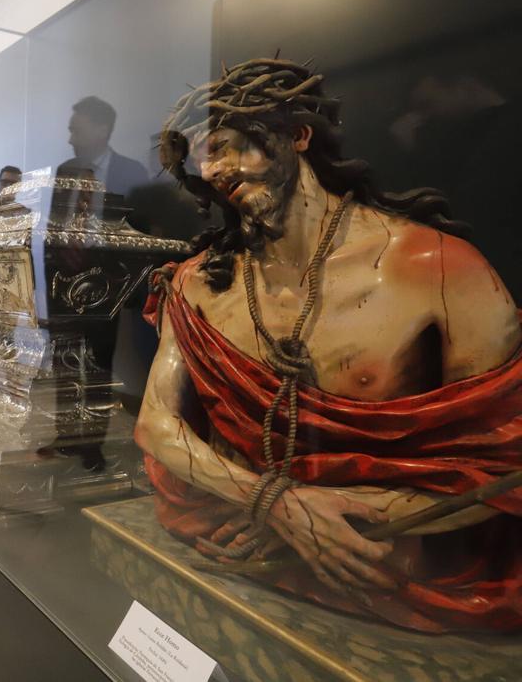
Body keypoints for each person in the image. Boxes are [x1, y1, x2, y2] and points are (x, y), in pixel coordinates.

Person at [136, 58, 522, 633]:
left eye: (225, 145)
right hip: (235, 546)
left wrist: (344, 523)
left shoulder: (438, 270)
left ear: (296, 135)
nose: (215, 170)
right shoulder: (197, 281)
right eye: (204, 159)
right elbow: (155, 424)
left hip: (395, 564)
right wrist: (279, 503)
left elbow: (501, 460)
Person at [55, 96, 148, 196]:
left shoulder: (133, 172)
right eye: (71, 131)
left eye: (78, 132)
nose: (71, 140)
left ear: (103, 132)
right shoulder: (65, 170)